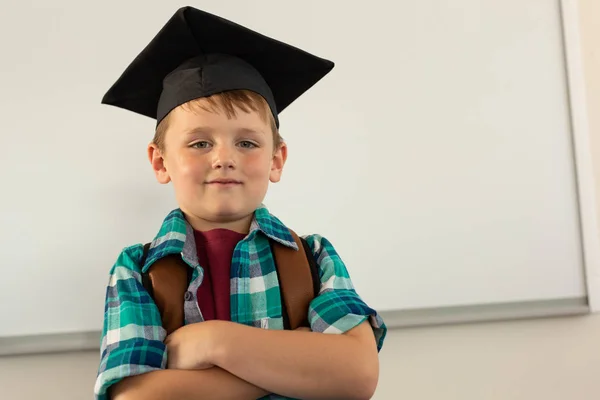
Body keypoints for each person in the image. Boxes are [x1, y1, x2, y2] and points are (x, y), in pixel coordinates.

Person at [94, 6, 387, 400]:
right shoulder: (138, 271)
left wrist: (213, 342)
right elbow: (134, 396)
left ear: (276, 160)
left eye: (247, 142)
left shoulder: (314, 258)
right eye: (200, 143)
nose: (223, 158)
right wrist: (298, 367)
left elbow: (357, 375)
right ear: (160, 162)